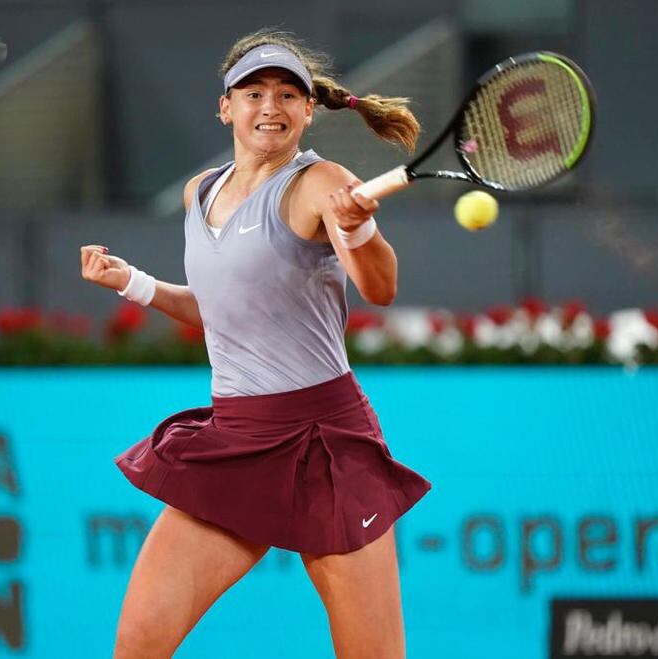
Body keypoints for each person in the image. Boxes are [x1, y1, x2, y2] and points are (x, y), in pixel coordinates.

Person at [79, 29, 431, 659]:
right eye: (255, 92)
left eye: (288, 94)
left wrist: (358, 233)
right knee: (137, 645)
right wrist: (131, 283)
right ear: (226, 107)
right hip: (237, 440)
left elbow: (380, 288)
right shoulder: (200, 192)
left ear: (308, 110)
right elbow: (219, 310)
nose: (271, 106)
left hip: (326, 442)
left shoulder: (322, 183)